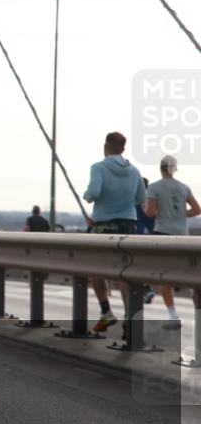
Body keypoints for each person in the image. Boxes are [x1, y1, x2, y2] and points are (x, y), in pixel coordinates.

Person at [82, 131, 146, 333]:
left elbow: (93, 193)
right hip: (129, 226)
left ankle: (106, 312)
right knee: (124, 273)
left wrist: (87, 195)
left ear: (105, 147)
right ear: (123, 149)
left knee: (96, 269)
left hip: (104, 225)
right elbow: (140, 198)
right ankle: (129, 316)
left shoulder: (98, 168)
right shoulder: (135, 171)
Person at [144, 155, 200, 329]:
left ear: (161, 168)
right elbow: (197, 209)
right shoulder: (184, 187)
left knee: (165, 277)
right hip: (183, 234)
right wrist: (181, 214)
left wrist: (148, 208)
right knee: (190, 277)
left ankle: (173, 315)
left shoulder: (154, 187)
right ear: (175, 169)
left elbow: (151, 213)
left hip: (163, 233)